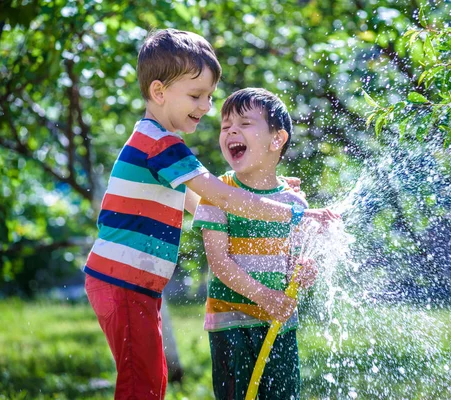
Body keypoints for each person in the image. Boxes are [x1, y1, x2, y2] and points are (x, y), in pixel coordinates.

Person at [83, 29, 336, 400]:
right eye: (196, 95)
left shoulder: (159, 142)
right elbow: (220, 195)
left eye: (209, 96)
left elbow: (202, 204)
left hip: (133, 284)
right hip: (122, 282)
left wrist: (279, 199)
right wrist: (289, 213)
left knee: (149, 379)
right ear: (159, 92)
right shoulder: (161, 144)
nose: (204, 107)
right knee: (142, 383)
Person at [192, 88, 320, 400]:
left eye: (245, 124)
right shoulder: (218, 193)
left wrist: (304, 273)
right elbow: (219, 263)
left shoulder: (293, 203)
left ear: (277, 140)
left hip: (280, 325)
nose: (232, 130)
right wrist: (263, 295)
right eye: (226, 126)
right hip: (231, 325)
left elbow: (293, 264)